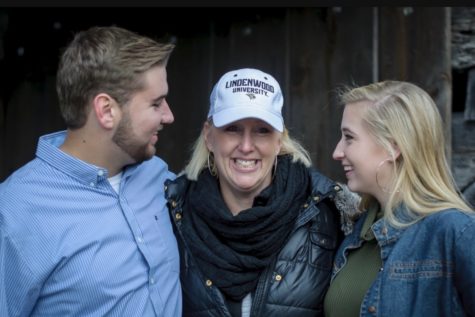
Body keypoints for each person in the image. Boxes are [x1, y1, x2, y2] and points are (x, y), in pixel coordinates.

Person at [0, 26, 181, 316]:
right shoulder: (13, 214)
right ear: (107, 110)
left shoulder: (158, 176)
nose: (169, 116)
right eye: (156, 103)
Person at [165, 68, 357, 317]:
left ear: (279, 140)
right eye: (232, 128)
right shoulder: (173, 212)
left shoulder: (325, 210)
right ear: (209, 136)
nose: (246, 146)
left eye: (262, 130)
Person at [324, 80, 475, 316]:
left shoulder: (456, 233)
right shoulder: (356, 232)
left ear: (393, 146)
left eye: (349, 137)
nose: (337, 152)